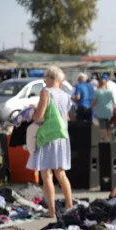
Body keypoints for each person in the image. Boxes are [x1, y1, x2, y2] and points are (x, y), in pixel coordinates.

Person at [27, 66, 73, 218]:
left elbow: (39, 116)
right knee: (61, 173)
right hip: (62, 136)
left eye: (45, 77)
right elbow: (65, 115)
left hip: (48, 136)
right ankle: (69, 205)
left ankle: (52, 211)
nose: (44, 80)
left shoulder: (46, 92)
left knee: (47, 175)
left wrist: (31, 112)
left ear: (50, 78)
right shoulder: (65, 95)